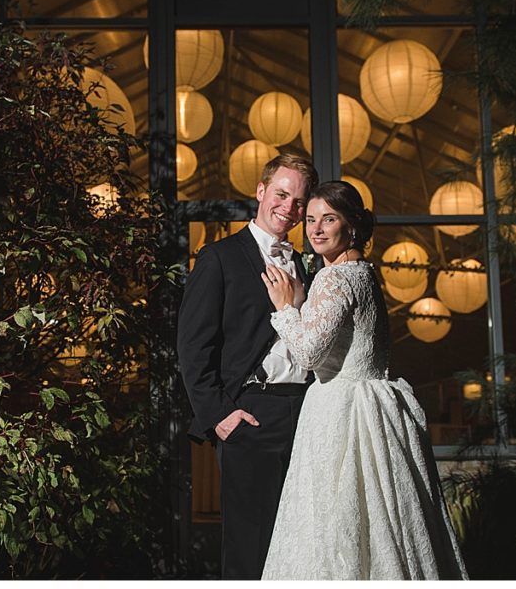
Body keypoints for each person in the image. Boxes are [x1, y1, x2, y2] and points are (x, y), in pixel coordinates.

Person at [258, 180, 469, 580]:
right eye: (311, 219)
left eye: (329, 219)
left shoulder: (335, 278)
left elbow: (307, 355)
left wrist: (286, 308)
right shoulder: (364, 274)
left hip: (341, 413)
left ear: (352, 225)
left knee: (335, 525)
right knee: (382, 523)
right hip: (373, 406)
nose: (316, 229)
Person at [176, 152, 319, 580]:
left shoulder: (306, 264)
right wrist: (220, 417)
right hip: (252, 414)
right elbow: (192, 346)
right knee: (251, 546)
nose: (289, 208)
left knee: (302, 541)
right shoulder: (219, 257)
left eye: (299, 201)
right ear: (260, 192)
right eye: (281, 194)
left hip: (308, 415)